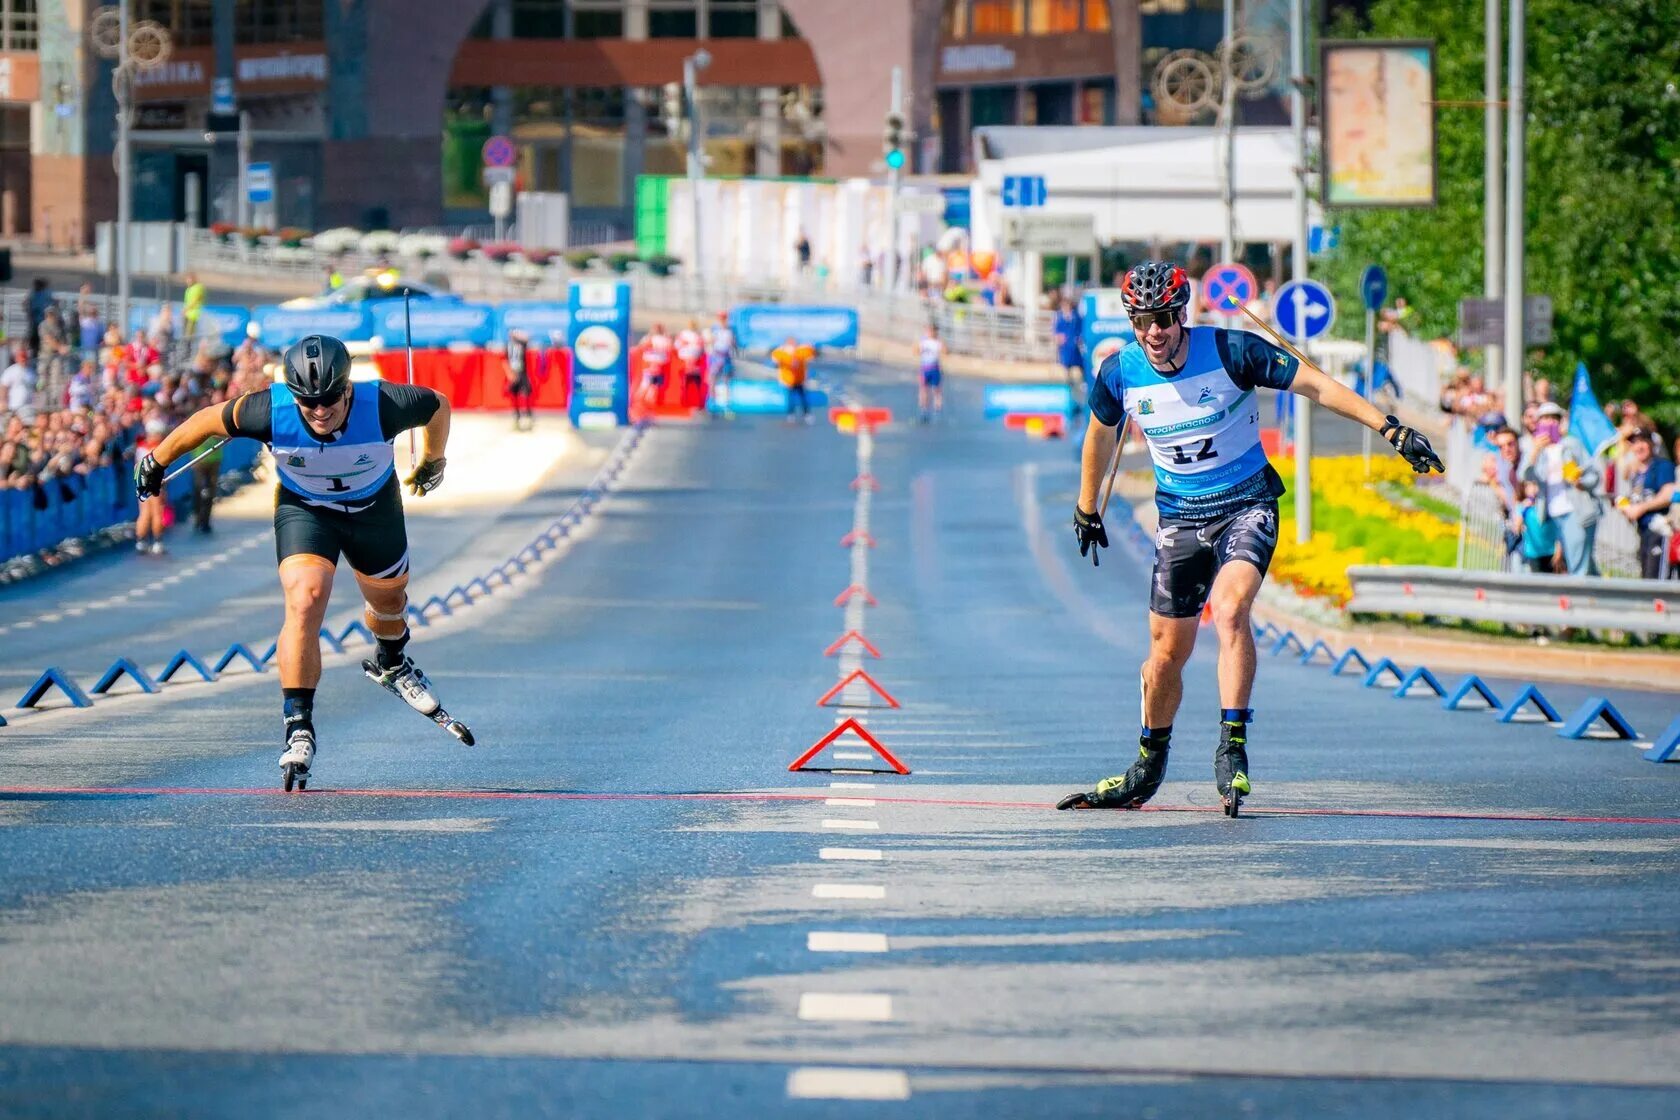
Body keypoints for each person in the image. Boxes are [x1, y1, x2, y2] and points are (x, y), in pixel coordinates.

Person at [1058, 261, 1443, 817]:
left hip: (1246, 504)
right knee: (1166, 653)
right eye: (1143, 321)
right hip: (1181, 518)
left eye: (1164, 318)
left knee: (1231, 606)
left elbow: (1315, 383)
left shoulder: (1233, 350)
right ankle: (1148, 763)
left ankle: (1232, 747)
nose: (1154, 332)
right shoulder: (1121, 371)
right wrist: (1086, 506)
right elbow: (1100, 432)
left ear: (1182, 313)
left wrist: (1390, 429)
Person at [133, 334, 456, 789]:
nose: (319, 411)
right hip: (306, 510)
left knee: (388, 604)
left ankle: (392, 661)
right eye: (308, 402)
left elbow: (438, 404)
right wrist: (156, 461)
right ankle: (298, 724)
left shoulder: (383, 402)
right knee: (305, 599)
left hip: (374, 509)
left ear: (347, 388)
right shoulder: (269, 410)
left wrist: (433, 459)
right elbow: (206, 421)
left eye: (328, 400)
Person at [1520, 401, 1602, 577]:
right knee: (1584, 562)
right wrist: (1534, 451)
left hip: (1575, 510)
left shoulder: (1571, 443)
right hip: (1551, 514)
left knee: (1577, 562)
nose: (1549, 423)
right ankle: (1608, 599)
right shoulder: (1537, 449)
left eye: (1553, 418)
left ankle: (1582, 600)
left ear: (1559, 421)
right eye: (1544, 419)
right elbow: (1524, 476)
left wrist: (1580, 482)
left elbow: (1594, 475)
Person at [1619, 428, 1676, 579]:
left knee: (1655, 578)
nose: (1639, 446)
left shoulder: (1662, 466)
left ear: (1651, 443)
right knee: (1646, 575)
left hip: (1661, 530)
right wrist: (1626, 508)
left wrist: (1640, 508)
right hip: (1643, 531)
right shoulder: (1635, 473)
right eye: (1635, 443)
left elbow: (1667, 495)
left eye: (1643, 442)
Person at [772, 335, 815, 423]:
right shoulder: (781, 352)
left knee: (803, 398)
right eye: (790, 343)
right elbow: (775, 360)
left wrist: (810, 348)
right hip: (788, 380)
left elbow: (811, 355)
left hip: (800, 379)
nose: (792, 345)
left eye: (793, 342)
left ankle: (807, 414)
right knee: (790, 399)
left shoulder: (801, 351)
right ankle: (791, 414)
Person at [1052, 296, 1085, 411]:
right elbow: (1056, 331)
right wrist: (1058, 338)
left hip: (1075, 347)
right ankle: (1069, 388)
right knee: (1067, 369)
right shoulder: (1059, 317)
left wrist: (1079, 339)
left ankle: (1083, 386)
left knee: (1081, 368)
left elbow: (1081, 329)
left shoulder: (1076, 317)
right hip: (1066, 347)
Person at [705, 311, 736, 416]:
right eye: (721, 318)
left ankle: (726, 405)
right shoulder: (715, 329)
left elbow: (733, 343)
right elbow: (709, 341)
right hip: (716, 356)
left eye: (724, 318)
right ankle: (712, 403)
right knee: (712, 379)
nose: (723, 320)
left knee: (726, 381)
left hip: (726, 357)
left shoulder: (730, 329)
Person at [638, 323, 673, 408]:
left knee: (646, 384)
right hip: (660, 366)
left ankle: (639, 401)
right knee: (654, 386)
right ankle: (648, 403)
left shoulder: (648, 338)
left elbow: (640, 346)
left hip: (649, 365)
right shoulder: (666, 340)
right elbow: (670, 348)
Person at [504, 328, 534, 430]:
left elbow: (527, 338)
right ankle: (517, 418)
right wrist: (509, 374)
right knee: (514, 395)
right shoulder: (508, 345)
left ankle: (528, 417)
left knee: (526, 394)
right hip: (512, 373)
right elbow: (505, 360)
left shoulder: (522, 344)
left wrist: (518, 334)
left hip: (522, 372)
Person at [916, 323, 945, 424]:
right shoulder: (923, 342)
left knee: (936, 390)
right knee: (924, 390)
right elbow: (916, 351)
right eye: (929, 331)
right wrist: (920, 347)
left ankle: (937, 412)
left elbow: (944, 352)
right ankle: (924, 412)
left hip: (935, 368)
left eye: (932, 331)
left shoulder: (938, 342)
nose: (930, 333)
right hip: (925, 368)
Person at [675, 319, 706, 406]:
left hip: (691, 364)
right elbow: (677, 345)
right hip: (689, 364)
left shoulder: (695, 335)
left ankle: (694, 401)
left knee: (692, 382)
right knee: (688, 383)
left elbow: (701, 349)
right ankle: (688, 401)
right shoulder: (688, 335)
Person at [182, 273, 206, 343]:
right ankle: (186, 348)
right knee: (185, 335)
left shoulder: (198, 287)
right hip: (187, 314)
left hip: (193, 315)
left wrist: (185, 309)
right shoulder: (188, 289)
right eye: (187, 280)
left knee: (189, 336)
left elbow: (194, 301)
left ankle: (188, 349)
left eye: (189, 279)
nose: (188, 281)